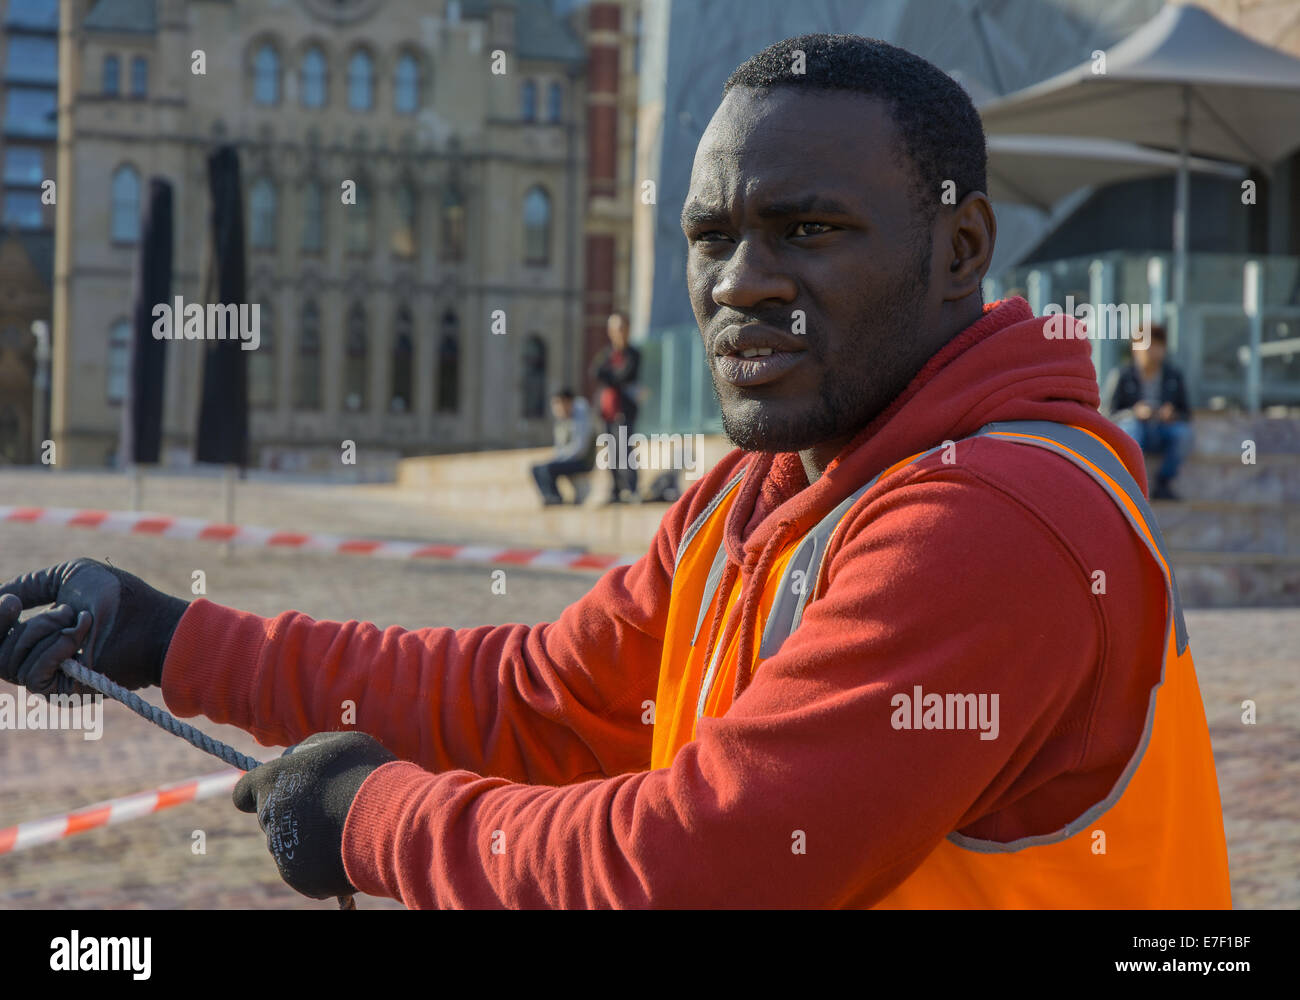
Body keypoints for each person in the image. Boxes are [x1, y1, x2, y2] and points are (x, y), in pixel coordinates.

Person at [0, 34, 1230, 909]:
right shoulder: (766, 488)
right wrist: (176, 641)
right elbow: (540, 699)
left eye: (809, 229)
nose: (740, 280)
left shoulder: (998, 517)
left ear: (960, 248)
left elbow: (705, 868)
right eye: (711, 235)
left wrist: (373, 817)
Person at [1101, 323, 1193, 500]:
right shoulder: (1121, 375)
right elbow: (1107, 415)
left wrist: (1172, 415)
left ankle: (1163, 483)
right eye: (1146, 345)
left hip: (1162, 430)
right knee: (1132, 428)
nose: (1151, 351)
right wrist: (1133, 413)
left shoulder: (1174, 376)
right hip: (1136, 430)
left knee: (1184, 434)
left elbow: (1186, 414)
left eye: (1156, 345)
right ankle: (1132, 484)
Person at [588, 311, 640, 503]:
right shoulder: (607, 354)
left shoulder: (633, 354)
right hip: (606, 412)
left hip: (624, 411)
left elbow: (624, 376)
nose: (618, 333)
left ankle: (632, 488)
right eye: (614, 329)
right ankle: (616, 490)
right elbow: (595, 371)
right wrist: (612, 376)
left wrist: (609, 375)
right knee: (611, 452)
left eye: (621, 328)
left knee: (625, 451)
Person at [530, 388, 596, 506]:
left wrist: (559, 460)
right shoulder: (561, 422)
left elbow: (580, 449)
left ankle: (555, 499)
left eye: (559, 403)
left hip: (583, 461)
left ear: (568, 402)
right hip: (567, 459)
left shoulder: (581, 419)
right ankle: (551, 498)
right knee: (537, 469)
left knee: (549, 468)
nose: (556, 408)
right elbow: (559, 447)